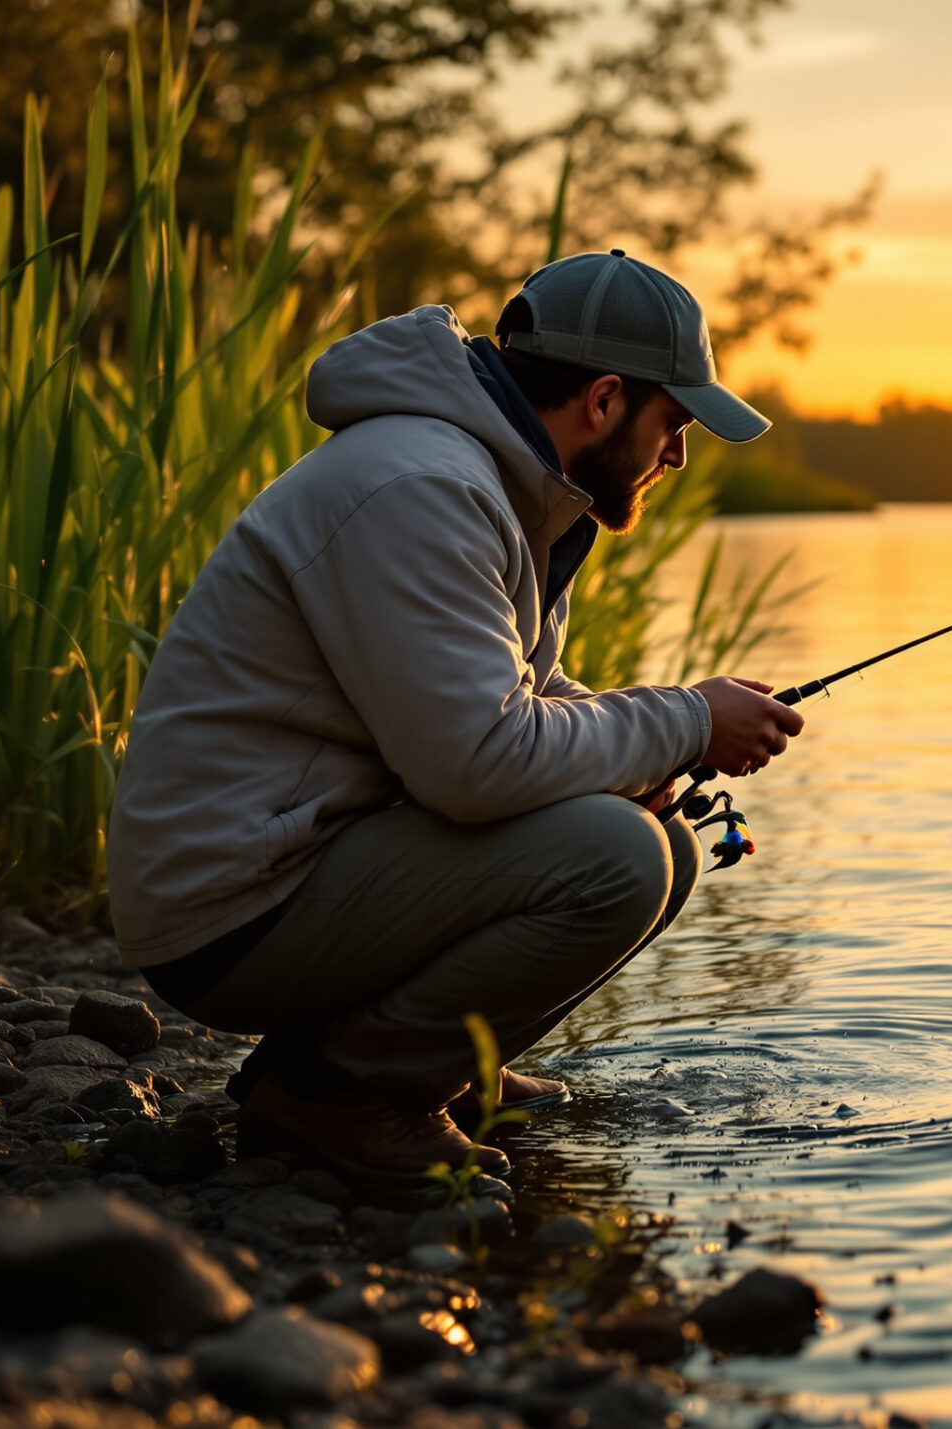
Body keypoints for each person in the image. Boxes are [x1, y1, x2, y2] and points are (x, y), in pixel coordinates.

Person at [106, 250, 805, 1189]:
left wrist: (650, 749)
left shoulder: (510, 488)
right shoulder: (422, 486)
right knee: (620, 857)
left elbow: (520, 700)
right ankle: (340, 1094)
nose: (677, 454)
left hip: (305, 859)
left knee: (663, 835)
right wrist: (684, 720)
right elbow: (475, 761)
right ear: (603, 401)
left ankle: (429, 1063)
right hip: (230, 905)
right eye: (672, 422)